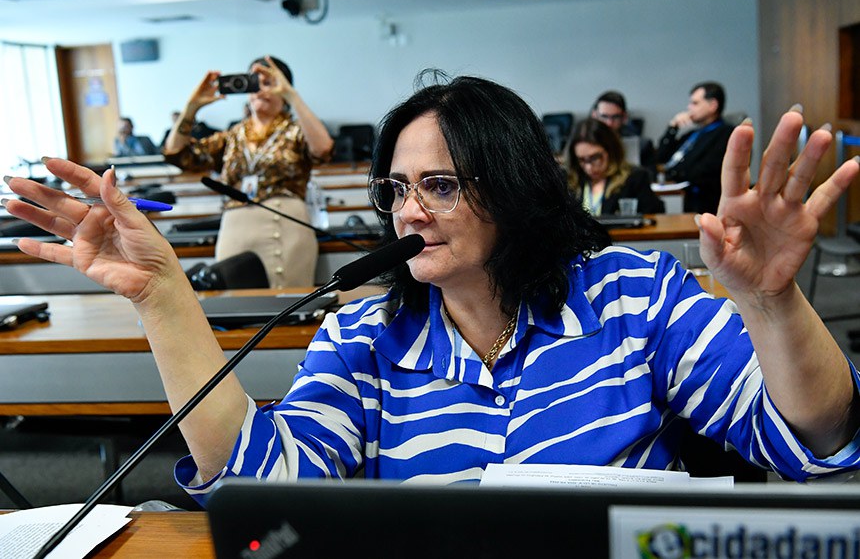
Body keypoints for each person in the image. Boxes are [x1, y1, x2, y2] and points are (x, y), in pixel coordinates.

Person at [4, 73, 860, 507]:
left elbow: (809, 432)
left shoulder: (634, 296)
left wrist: (774, 303)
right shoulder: (365, 333)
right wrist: (162, 299)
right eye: (397, 189)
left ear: (515, 185)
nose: (409, 211)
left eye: (440, 186)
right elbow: (265, 481)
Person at [162, 55, 333, 287]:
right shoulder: (232, 136)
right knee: (233, 307)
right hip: (236, 229)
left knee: (287, 305)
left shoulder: (295, 131)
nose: (261, 91)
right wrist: (191, 107)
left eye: (269, 83)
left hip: (287, 228)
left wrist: (292, 96)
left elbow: (323, 148)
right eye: (254, 82)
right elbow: (177, 154)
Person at [656, 82, 734, 214]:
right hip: (682, 199)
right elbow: (660, 157)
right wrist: (672, 128)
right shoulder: (692, 134)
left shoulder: (726, 133)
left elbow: (706, 171)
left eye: (695, 103)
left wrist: (675, 175)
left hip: (706, 205)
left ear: (713, 105)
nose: (689, 107)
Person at [568, 118, 665, 216]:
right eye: (582, 160)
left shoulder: (635, 178)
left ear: (610, 150)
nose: (589, 167)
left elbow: (654, 217)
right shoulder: (568, 181)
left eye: (595, 158)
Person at [590, 90, 656, 171]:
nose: (609, 123)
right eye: (604, 116)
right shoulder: (583, 143)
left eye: (615, 117)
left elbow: (650, 179)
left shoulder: (641, 145)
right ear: (594, 115)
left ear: (624, 117)